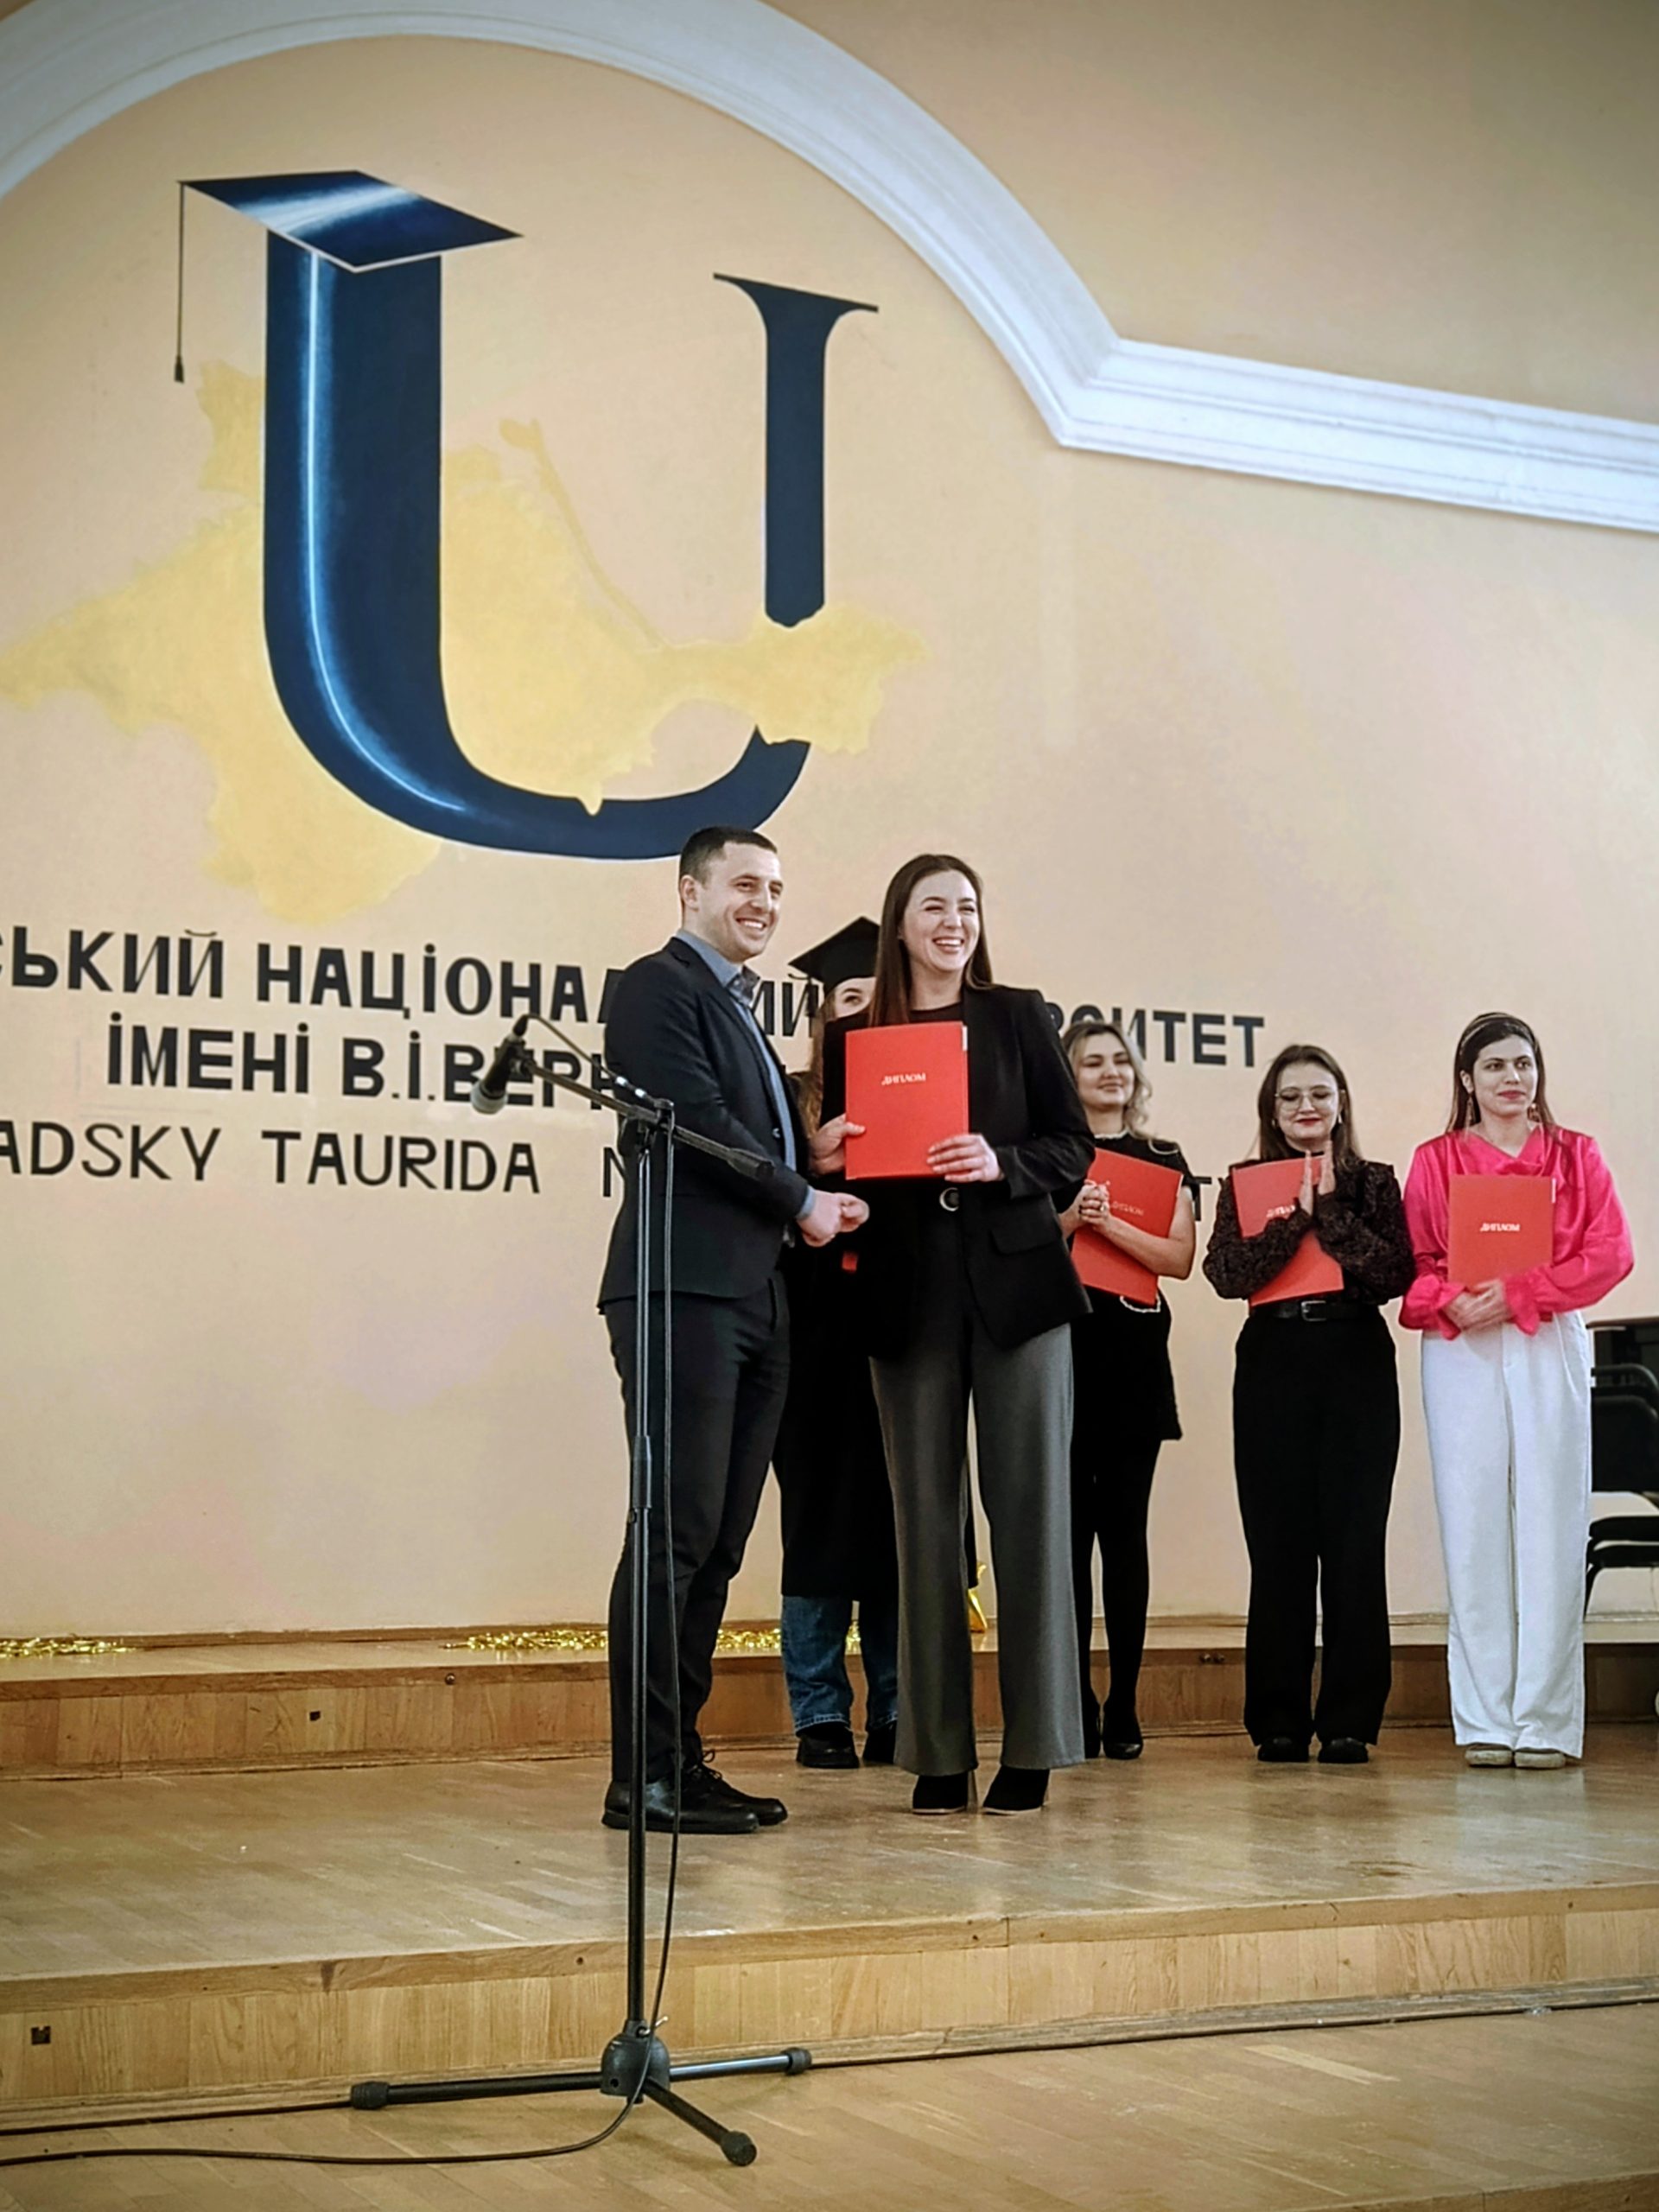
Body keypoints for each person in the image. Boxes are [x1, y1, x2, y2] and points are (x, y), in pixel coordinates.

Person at [597, 827, 866, 1836]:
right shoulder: (656, 986)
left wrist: (810, 1159)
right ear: (689, 890)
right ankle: (643, 1775)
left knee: (716, 1544)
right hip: (684, 1290)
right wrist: (805, 1196)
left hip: (755, 1298)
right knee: (674, 1532)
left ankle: (679, 1760)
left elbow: (742, 1133)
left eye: (778, 889)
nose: (765, 903)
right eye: (745, 884)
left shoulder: (742, 1005)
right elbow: (697, 1120)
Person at [821, 854, 1094, 1815]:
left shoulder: (1019, 1015)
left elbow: (1073, 1145)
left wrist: (1001, 1160)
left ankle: (1037, 1745)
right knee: (925, 1526)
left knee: (1033, 1520)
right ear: (899, 923)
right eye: (934, 906)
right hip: (907, 1297)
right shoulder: (854, 1035)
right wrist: (825, 1159)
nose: (954, 922)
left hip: (1018, 1292)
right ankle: (937, 1750)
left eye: (968, 907)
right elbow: (838, 1170)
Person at [1402, 1013, 1632, 1770]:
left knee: (1551, 1519)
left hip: (1546, 1337)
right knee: (1471, 1523)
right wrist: (1453, 1301)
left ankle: (1545, 1721)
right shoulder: (1435, 1159)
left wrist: (1522, 1291)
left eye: (1524, 1064)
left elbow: (1611, 1253)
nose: (1513, 1078)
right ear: (1467, 1079)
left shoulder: (1576, 1154)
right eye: (1496, 1065)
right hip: (1461, 1342)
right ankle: (1485, 1719)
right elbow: (1417, 1260)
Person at [1202, 1045, 1414, 1764]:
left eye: (1320, 1094)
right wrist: (1294, 1219)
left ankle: (1351, 1718)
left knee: (1355, 1543)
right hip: (1273, 1363)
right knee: (1278, 1545)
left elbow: (1394, 1272)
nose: (1306, 1108)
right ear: (1272, 1110)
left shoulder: (1373, 1181)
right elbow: (1226, 1274)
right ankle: (1279, 1719)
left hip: (1355, 1360)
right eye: (1290, 1097)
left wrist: (1330, 1213)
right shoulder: (1244, 1183)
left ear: (1340, 1103)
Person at [772, 918, 899, 1770]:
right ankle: (819, 1712)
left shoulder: (924, 1094)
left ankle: (897, 1707)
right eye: (847, 999)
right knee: (817, 1525)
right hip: (809, 1336)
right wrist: (814, 1171)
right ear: (822, 1017)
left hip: (896, 1327)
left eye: (875, 1001)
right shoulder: (788, 1099)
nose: (859, 1015)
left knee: (897, 1527)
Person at [1056, 1020, 1197, 1760]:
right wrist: (1071, 1217)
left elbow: (1177, 1259)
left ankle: (1126, 1704)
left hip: (1135, 1363)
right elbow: (1023, 1246)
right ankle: (1074, 1699)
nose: (1110, 1072)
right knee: (1069, 1541)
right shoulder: (1050, 1155)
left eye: (1120, 1060)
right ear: (1068, 1075)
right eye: (1092, 1062)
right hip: (1063, 1358)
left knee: (1125, 1537)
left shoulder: (1164, 1158)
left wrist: (1107, 1227)